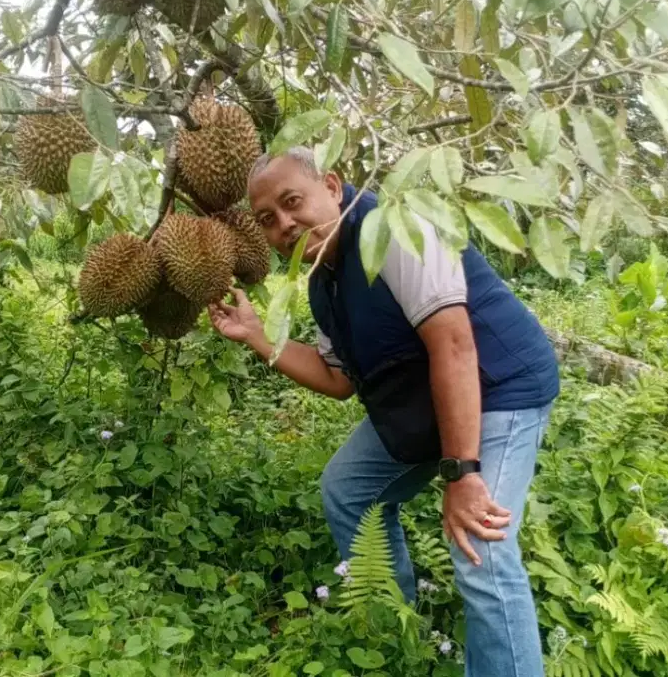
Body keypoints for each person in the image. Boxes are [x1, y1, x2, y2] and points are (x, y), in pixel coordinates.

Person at [207, 146, 560, 676]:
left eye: (292, 201)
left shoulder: (395, 230)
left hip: (501, 387)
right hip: (427, 399)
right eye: (268, 220)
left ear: (332, 185)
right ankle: (397, 626)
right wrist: (259, 338)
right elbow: (338, 381)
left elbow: (456, 347)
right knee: (349, 490)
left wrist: (462, 475)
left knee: (478, 549)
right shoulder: (324, 283)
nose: (285, 224)